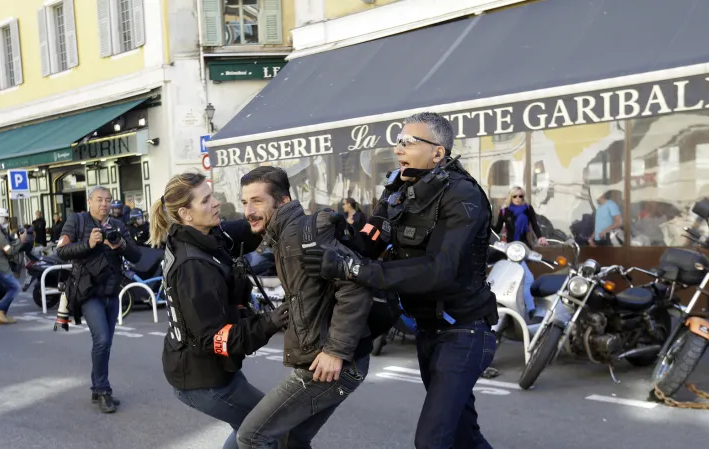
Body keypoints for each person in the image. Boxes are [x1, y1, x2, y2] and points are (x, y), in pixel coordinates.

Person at [302, 112, 497, 449]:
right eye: (398, 141)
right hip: (427, 328)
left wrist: (354, 269)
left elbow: (439, 269)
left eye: (408, 142)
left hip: (464, 331)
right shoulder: (398, 188)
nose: (398, 149)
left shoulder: (463, 195)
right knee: (464, 435)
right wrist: (340, 235)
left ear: (437, 152)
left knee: (432, 441)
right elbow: (369, 241)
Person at [236, 166, 373, 449]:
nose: (249, 211)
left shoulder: (303, 235)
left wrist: (335, 351)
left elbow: (356, 286)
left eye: (257, 201)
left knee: (251, 437)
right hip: (329, 361)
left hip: (334, 365)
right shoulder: (282, 236)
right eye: (245, 202)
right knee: (293, 440)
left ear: (283, 201)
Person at [150, 172, 289, 449]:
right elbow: (215, 338)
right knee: (269, 430)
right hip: (203, 381)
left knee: (247, 432)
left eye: (212, 195)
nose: (216, 203)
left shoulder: (205, 236)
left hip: (211, 371)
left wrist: (284, 213)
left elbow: (249, 230)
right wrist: (271, 321)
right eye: (205, 200)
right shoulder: (193, 266)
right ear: (186, 214)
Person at [56, 186, 141, 413]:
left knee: (105, 343)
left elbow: (137, 255)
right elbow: (61, 251)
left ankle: (97, 385)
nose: (104, 204)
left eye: (108, 200)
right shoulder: (77, 221)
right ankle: (103, 390)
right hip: (88, 292)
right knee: (102, 340)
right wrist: (89, 244)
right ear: (90, 201)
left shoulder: (118, 225)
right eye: (99, 200)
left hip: (112, 291)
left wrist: (121, 245)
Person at [493, 186, 548, 321]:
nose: (518, 198)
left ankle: (525, 309)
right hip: (510, 250)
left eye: (520, 196)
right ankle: (530, 309)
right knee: (527, 278)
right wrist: (483, 222)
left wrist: (540, 237)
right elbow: (497, 229)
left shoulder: (528, 209)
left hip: (523, 248)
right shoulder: (505, 211)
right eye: (515, 196)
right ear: (510, 197)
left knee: (522, 279)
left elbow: (534, 224)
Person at [0, 208, 30, 324]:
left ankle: (1, 315)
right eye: (5, 218)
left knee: (9, 288)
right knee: (16, 287)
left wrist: (17, 240)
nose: (6, 221)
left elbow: (8, 245)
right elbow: (9, 250)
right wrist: (21, 241)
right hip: (0, 267)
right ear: (0, 218)